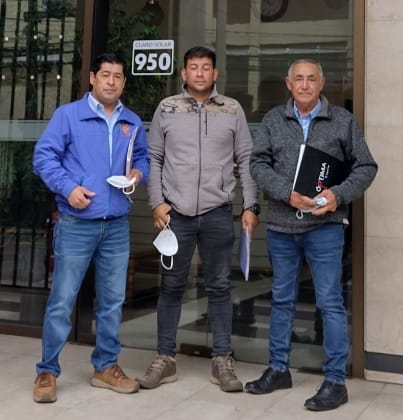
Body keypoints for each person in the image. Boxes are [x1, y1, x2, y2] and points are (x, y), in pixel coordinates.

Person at [245, 58, 377, 411]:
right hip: (281, 226)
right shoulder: (273, 120)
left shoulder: (343, 121)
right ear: (289, 84)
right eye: (298, 79)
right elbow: (257, 164)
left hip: (325, 227)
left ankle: (335, 381)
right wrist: (285, 192)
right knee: (281, 299)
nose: (304, 85)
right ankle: (278, 369)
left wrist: (338, 195)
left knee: (329, 302)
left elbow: (366, 166)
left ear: (322, 83)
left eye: (311, 79)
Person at [138, 46, 260, 393]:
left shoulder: (231, 109)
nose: (200, 73)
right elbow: (154, 157)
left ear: (215, 74)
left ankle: (222, 360)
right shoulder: (167, 108)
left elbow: (246, 158)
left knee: (219, 286)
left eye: (206, 67)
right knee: (172, 286)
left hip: (217, 212)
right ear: (184, 73)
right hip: (175, 214)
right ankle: (165, 358)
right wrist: (157, 202)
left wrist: (251, 206)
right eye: (194, 67)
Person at [32, 52, 150, 403]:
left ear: (124, 82)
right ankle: (47, 371)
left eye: (118, 76)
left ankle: (105, 366)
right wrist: (69, 188)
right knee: (62, 300)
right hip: (76, 223)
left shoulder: (131, 121)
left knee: (112, 301)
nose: (111, 81)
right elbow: (43, 157)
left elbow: (142, 157)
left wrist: (138, 174)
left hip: (116, 225)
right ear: (92, 78)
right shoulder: (69, 115)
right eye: (105, 74)